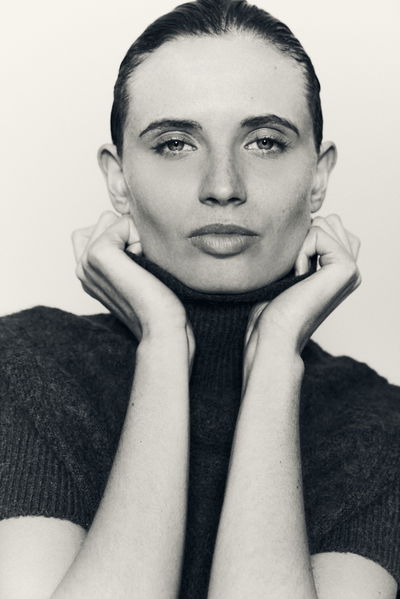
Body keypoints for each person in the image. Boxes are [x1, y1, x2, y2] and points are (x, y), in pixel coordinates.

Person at [0, 0, 399, 597]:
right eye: (175, 144)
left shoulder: (379, 426)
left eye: (265, 142)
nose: (222, 186)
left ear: (317, 177)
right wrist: (162, 344)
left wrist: (276, 356)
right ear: (118, 179)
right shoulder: (25, 368)